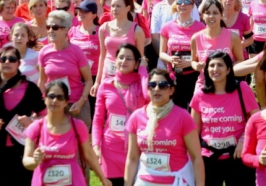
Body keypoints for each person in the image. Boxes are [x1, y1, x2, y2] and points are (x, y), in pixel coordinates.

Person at [124, 68, 205, 185]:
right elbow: (132, 158)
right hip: (145, 181)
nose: (157, 89)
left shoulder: (183, 117)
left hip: (176, 181)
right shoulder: (136, 117)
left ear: (171, 90)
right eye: (152, 85)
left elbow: (196, 157)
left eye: (163, 85)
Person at [23, 80, 111, 186]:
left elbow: (89, 154)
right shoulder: (35, 128)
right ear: (45, 99)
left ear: (66, 102)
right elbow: (26, 161)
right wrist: (34, 161)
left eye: (60, 97)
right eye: (51, 96)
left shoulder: (78, 126)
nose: (55, 100)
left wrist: (103, 178)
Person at [190, 51, 259, 186]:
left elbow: (256, 119)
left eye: (220, 65)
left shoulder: (242, 88)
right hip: (209, 158)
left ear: (228, 69)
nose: (215, 69)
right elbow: (193, 132)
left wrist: (244, 139)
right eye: (211, 65)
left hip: (238, 155)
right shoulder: (200, 94)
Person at [93, 44, 149, 186]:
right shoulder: (106, 85)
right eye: (121, 57)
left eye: (129, 58)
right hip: (110, 149)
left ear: (136, 63)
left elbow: (148, 96)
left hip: (137, 148)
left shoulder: (143, 83)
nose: (124, 61)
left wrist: (143, 70)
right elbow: (98, 120)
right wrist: (96, 146)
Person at [0, 45, 46, 184]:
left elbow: (46, 116)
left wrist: (32, 120)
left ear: (19, 63)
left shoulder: (30, 88)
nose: (7, 62)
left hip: (25, 147)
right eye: (3, 59)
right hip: (0, 147)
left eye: (12, 59)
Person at [38, 10, 93, 126]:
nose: (50, 31)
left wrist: (80, 102)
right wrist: (44, 101)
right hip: (54, 104)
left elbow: (88, 80)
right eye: (48, 27)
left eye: (55, 27)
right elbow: (42, 81)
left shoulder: (77, 51)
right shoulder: (44, 52)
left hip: (75, 105)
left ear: (66, 30)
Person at [159, 0, 205, 109]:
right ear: (176, 5)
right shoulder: (167, 27)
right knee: (175, 110)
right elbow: (161, 53)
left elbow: (206, 53)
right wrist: (170, 59)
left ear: (192, 6)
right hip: (174, 76)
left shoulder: (201, 28)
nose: (183, 5)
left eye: (186, 2)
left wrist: (191, 62)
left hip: (194, 76)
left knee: (193, 110)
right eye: (179, 2)